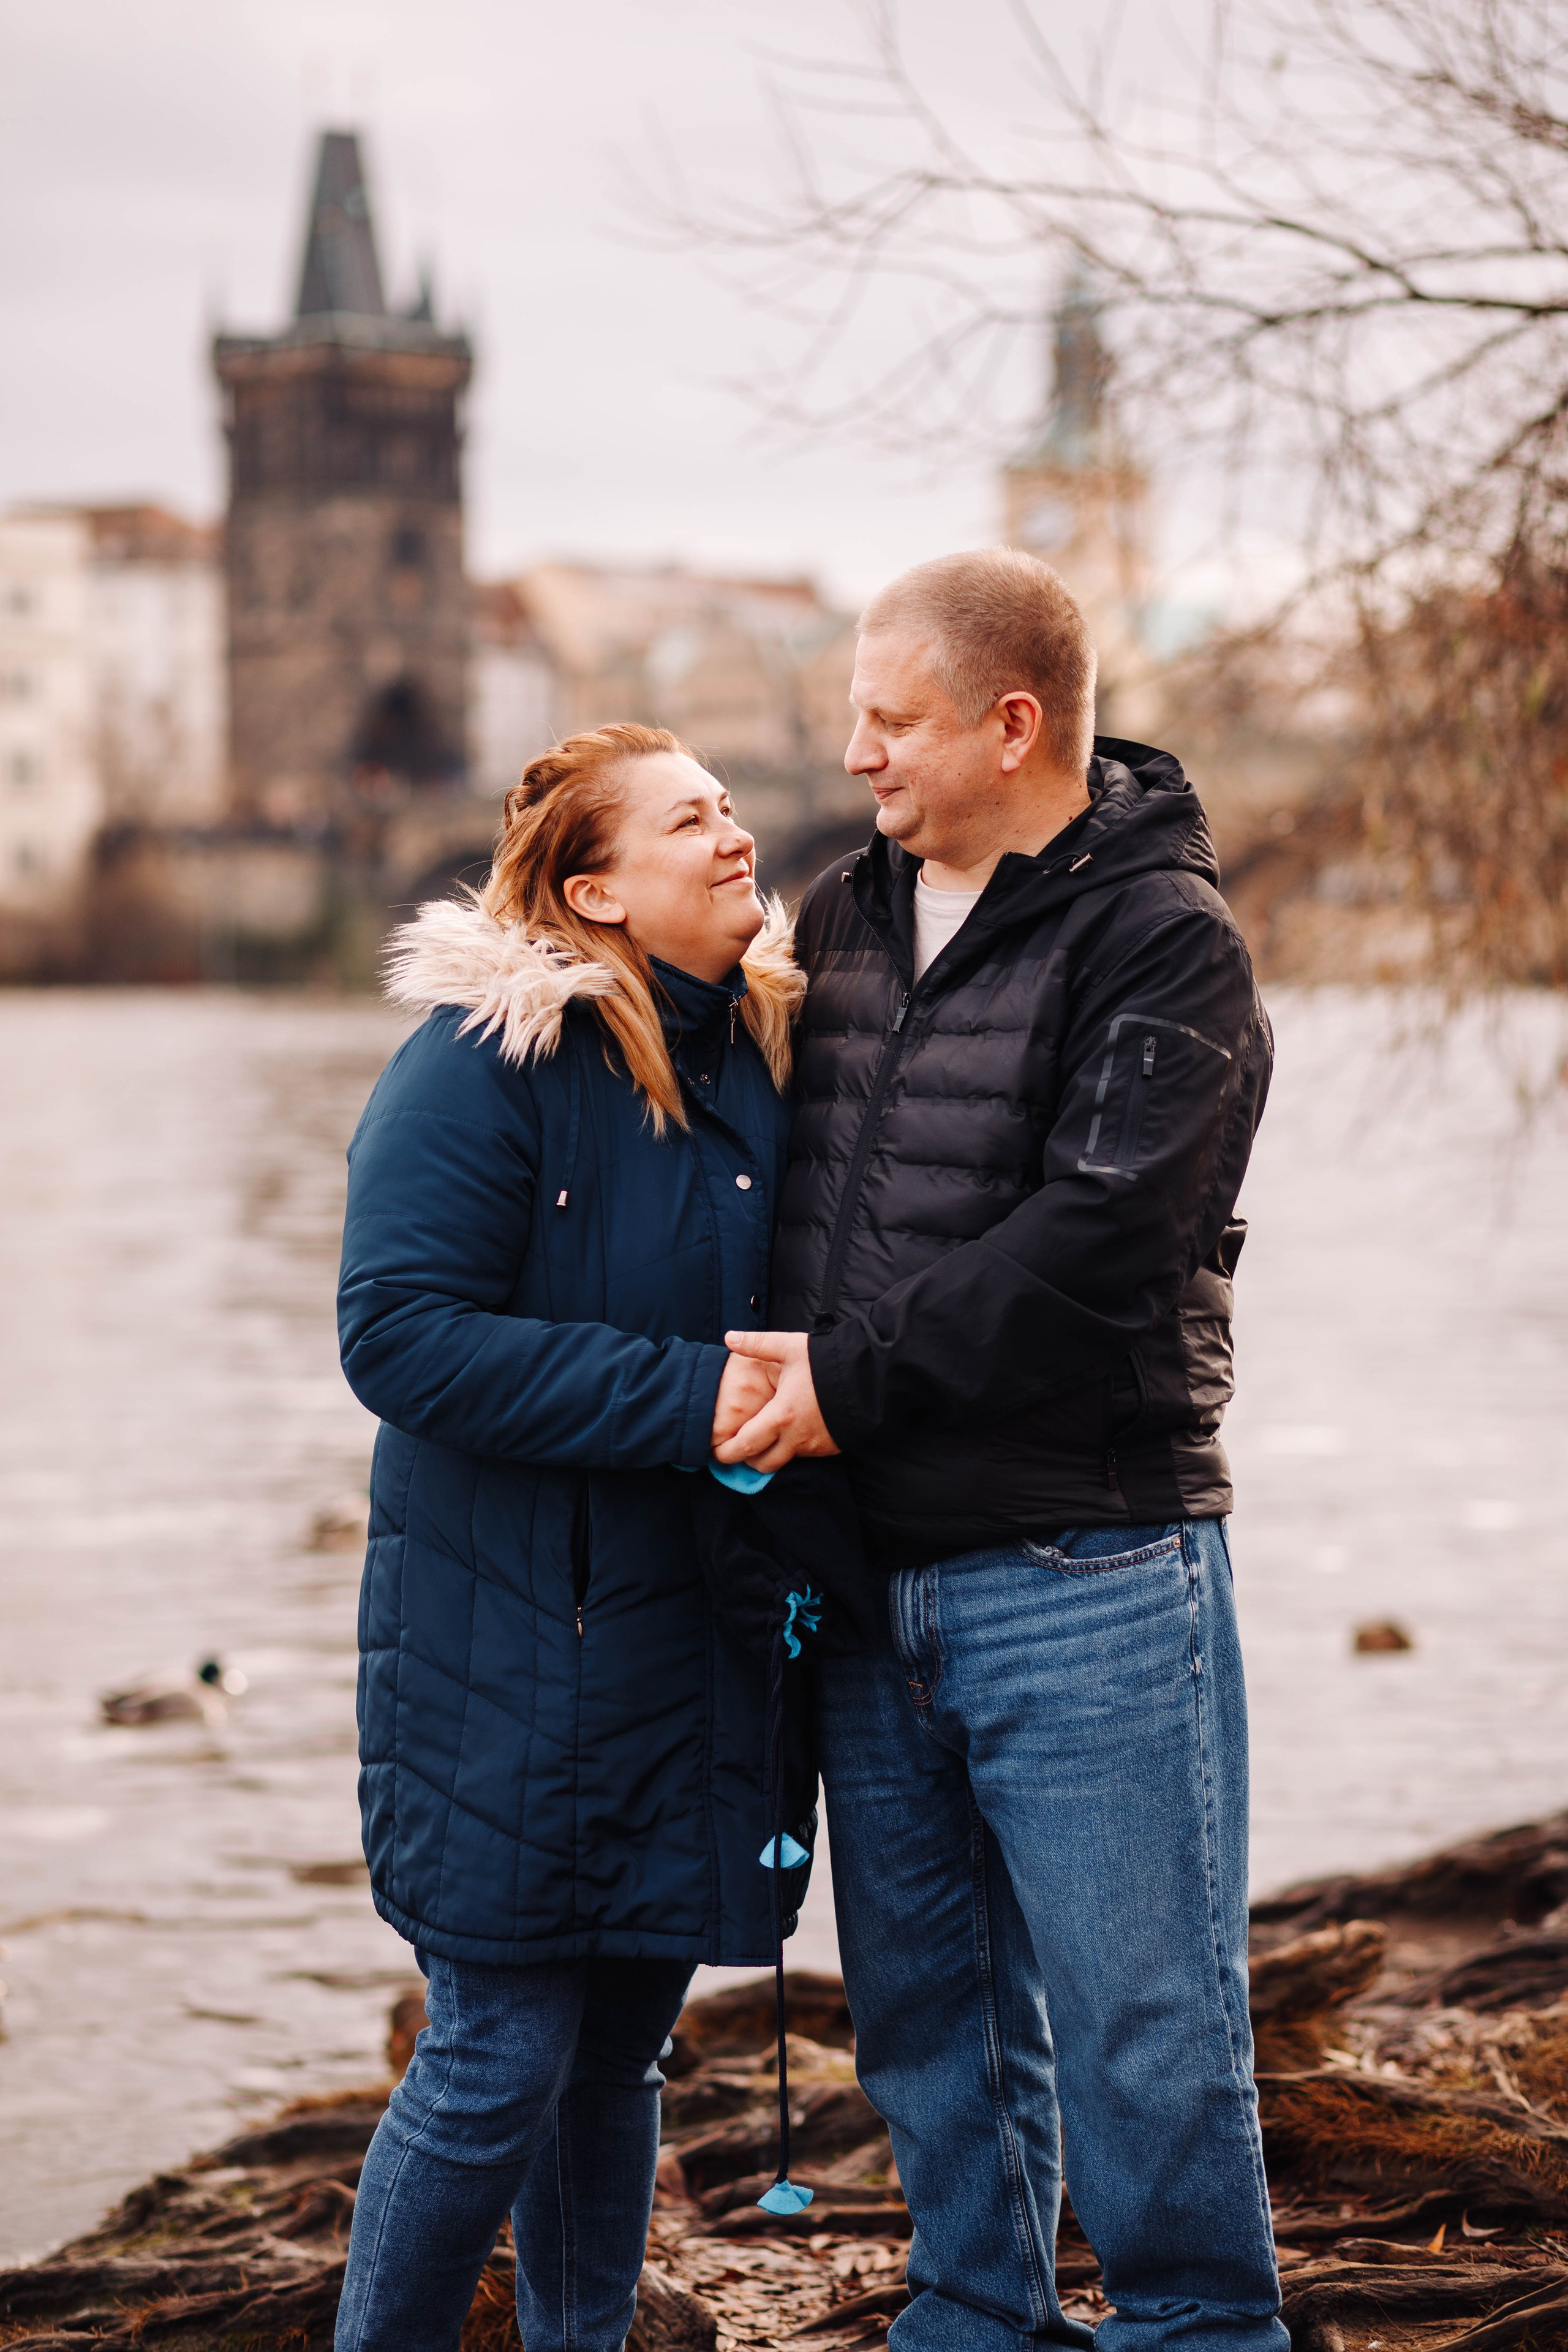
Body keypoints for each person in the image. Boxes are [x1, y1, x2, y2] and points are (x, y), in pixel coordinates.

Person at [715, 549, 1286, 2352]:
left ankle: (1201, 2331)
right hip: (872, 1569)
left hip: (1086, 1566)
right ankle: (974, 2320)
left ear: (1011, 723)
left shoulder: (1166, 939)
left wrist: (842, 1385)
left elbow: (1098, 1240)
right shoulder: (846, 909)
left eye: (890, 722)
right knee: (928, 2018)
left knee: (1144, 2018)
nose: (860, 756)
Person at [332, 723, 809, 2352]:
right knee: (493, 2061)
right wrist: (697, 1398)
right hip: (508, 1649)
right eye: (694, 824)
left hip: (688, 1640)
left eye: (732, 808)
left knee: (617, 2060)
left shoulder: (762, 1050)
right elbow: (394, 1335)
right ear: (596, 889)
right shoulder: (484, 1058)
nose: (737, 836)